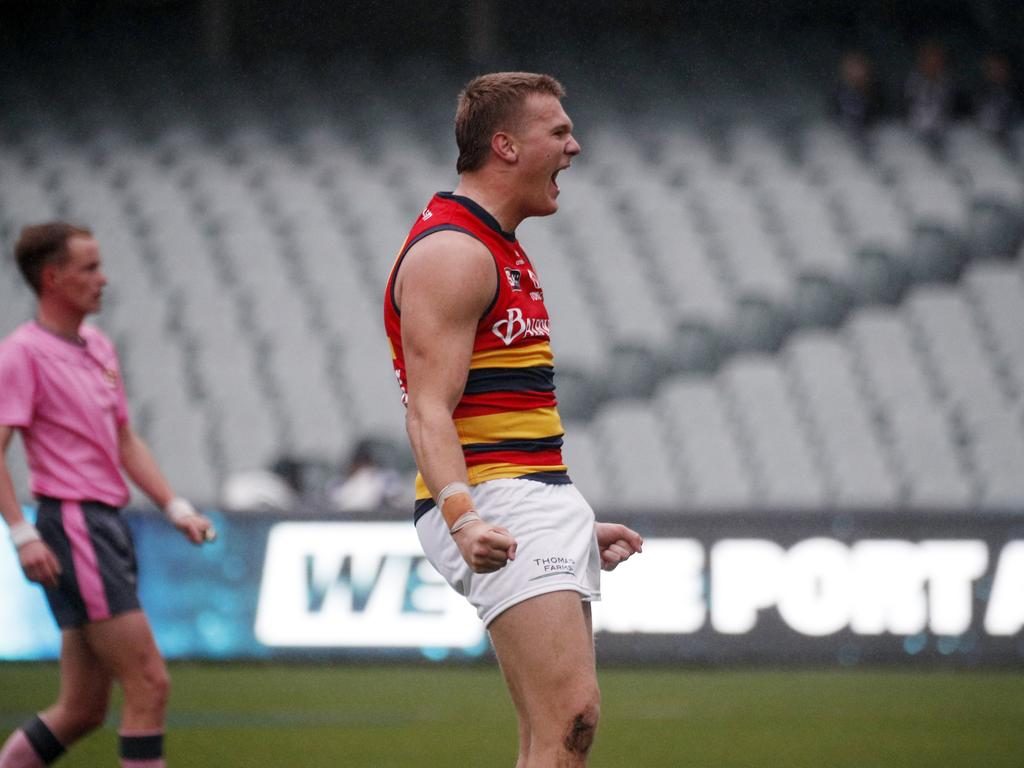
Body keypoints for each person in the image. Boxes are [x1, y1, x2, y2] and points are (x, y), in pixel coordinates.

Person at [383, 72, 643, 766]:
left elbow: (497, 409)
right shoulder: (454, 251)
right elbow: (427, 409)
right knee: (571, 721)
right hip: (494, 498)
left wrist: (570, 522)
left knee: (555, 736)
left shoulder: (495, 244)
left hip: (531, 493)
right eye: (558, 132)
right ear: (504, 146)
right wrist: (465, 516)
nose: (575, 146)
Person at [0, 222, 215, 768]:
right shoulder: (21, 355)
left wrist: (175, 506)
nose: (104, 279)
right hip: (74, 526)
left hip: (102, 527)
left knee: (82, 708)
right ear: (52, 278)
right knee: (149, 682)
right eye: (89, 268)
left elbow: (123, 437)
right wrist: (21, 534)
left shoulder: (97, 345)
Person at [904, 40, 957, 148]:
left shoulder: (951, 84)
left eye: (936, 58)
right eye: (928, 58)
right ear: (921, 60)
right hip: (913, 133)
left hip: (945, 134)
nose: (932, 62)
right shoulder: (909, 83)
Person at [830, 51, 885, 136]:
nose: (856, 73)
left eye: (859, 68)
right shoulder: (837, 94)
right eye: (852, 68)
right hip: (843, 138)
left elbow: (882, 119)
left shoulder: (878, 92)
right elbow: (833, 118)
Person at [972, 51, 1021, 140]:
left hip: (1014, 134)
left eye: (1000, 67)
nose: (995, 71)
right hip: (983, 136)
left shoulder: (1018, 92)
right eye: (992, 68)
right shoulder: (979, 92)